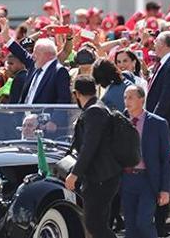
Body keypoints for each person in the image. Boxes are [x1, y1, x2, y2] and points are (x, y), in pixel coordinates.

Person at [65, 75, 121, 238]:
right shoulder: (95, 109)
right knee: (97, 223)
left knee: (94, 224)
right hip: (100, 177)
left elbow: (89, 147)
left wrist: (74, 174)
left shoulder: (95, 111)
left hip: (101, 178)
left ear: (77, 93)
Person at [120, 85, 170, 238]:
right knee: (130, 226)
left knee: (144, 222)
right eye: (125, 97)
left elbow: (165, 158)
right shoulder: (120, 122)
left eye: (130, 97)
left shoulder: (158, 123)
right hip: (127, 179)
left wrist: (165, 189)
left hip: (148, 180)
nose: (126, 101)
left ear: (141, 99)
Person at [2, 23, 71, 104]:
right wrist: (6, 37)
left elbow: (62, 103)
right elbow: (20, 51)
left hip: (44, 115)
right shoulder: (34, 65)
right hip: (24, 115)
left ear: (47, 54)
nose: (33, 56)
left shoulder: (59, 71)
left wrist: (69, 37)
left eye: (36, 53)